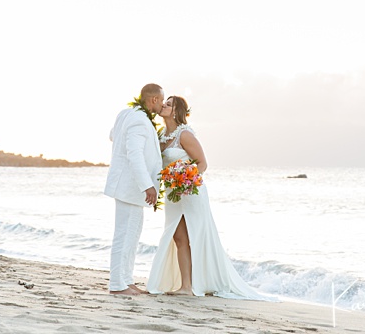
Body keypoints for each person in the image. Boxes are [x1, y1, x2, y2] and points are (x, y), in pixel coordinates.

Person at [147, 96, 277, 300]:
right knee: (178, 237)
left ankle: (192, 285)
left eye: (169, 104)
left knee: (195, 236)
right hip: (173, 193)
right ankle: (186, 285)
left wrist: (185, 181)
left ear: (176, 111)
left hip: (190, 192)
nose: (164, 105)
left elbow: (202, 164)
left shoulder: (185, 134)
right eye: (164, 103)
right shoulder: (161, 135)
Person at [104, 83, 165, 296]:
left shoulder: (126, 114)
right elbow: (134, 154)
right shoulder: (139, 120)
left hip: (128, 186)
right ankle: (117, 285)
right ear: (154, 100)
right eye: (162, 100)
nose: (163, 104)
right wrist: (147, 185)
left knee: (132, 234)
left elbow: (113, 135)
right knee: (124, 234)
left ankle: (126, 281)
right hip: (130, 187)